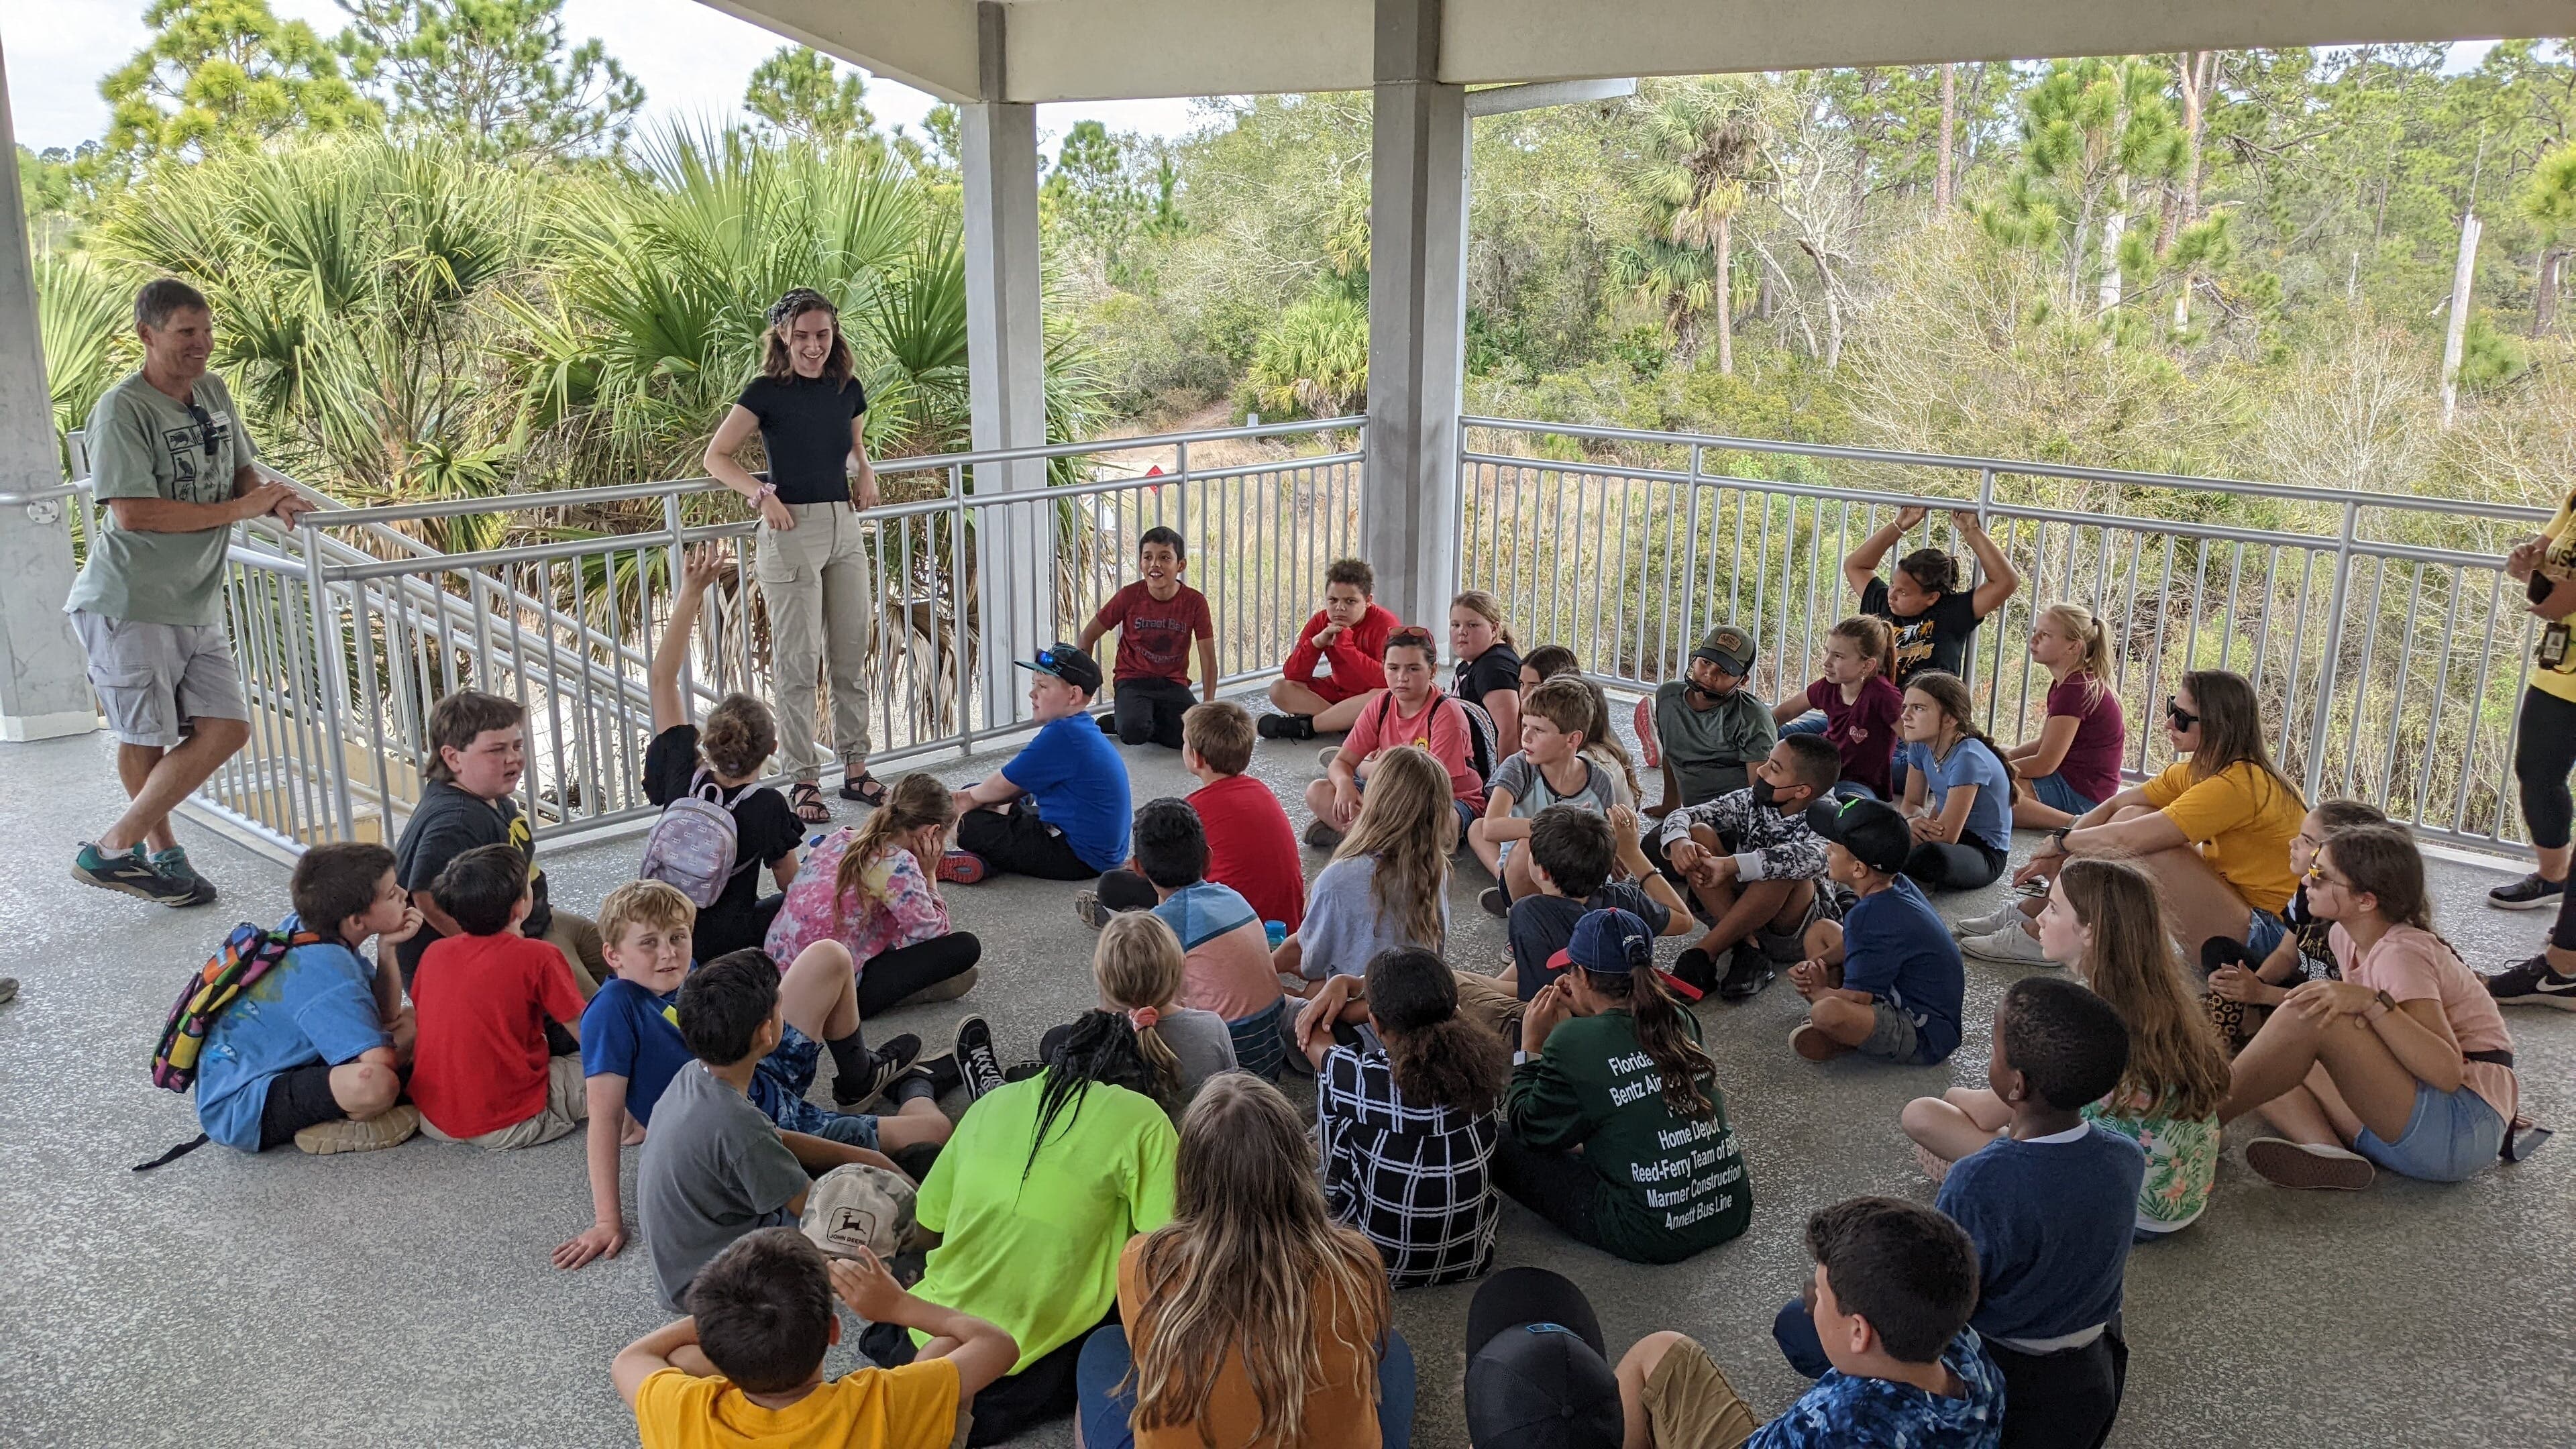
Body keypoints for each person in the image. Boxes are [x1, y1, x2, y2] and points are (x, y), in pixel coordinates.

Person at [1796, 978, 2141, 1449]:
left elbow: (1942, 1296)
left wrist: (1833, 1295)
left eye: (1995, 1050)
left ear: (2016, 1085)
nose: (1990, 1058)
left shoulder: (1981, 1179)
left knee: (1800, 1322)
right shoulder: (2125, 1157)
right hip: (2091, 1381)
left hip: (2007, 1375)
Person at [68, 280, 313, 907]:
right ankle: (162, 857)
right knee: (143, 736)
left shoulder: (212, 390)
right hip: (129, 599)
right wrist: (242, 507)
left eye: (206, 332)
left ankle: (114, 847)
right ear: (147, 335)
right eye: (185, 333)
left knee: (228, 727)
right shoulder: (121, 409)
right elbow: (133, 514)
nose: (201, 345)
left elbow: (241, 471)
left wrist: (273, 498)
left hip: (194, 597)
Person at [554, 882, 946, 1273]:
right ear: (613, 955)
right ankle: (920, 1082)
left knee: (830, 955)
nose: (668, 953)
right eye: (649, 943)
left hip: (755, 1067)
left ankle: (859, 1077)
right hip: (757, 1122)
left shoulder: (682, 972)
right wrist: (608, 1221)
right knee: (935, 1130)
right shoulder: (611, 1012)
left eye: (678, 937)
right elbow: (603, 1118)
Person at [865, 1012, 1180, 1446]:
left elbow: (927, 1227)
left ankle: (917, 1087)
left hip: (932, 1318)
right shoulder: (1145, 1118)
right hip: (1030, 1355)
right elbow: (1166, 1249)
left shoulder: (991, 1103)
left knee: (924, 1170)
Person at [1458, 1213, 2001, 1449]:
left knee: (1657, 1355)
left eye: (1821, 1297)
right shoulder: (1970, 1361)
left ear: (1859, 1332)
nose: (1810, 1303)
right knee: (1664, 1352)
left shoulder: (1833, 1421)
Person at [1077, 1074, 1415, 1449]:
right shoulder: (1354, 1260)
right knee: (1393, 1352)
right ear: (1297, 1165)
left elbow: (1146, 1356)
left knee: (1100, 1350)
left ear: (1189, 1172)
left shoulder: (1145, 1260)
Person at [1904, 860, 2229, 1240]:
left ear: (2091, 932)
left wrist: (1955, 1095)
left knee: (1923, 1115)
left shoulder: (2078, 1016)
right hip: (2180, 1202)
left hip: (2120, 1210)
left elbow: (1996, 1107)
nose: (2040, 917)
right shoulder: (2164, 998)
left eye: (2054, 909)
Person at [2219, 824, 2523, 1190]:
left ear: (2367, 901)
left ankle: (2194, 1123)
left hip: (2460, 1128)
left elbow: (2446, 1073)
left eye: (2321, 876)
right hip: (2415, 1121)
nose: (2306, 883)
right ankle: (2329, 1153)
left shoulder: (2401, 953)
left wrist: (2372, 1004)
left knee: (2312, 1018)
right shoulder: (2342, 935)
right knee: (2273, 1057)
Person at [637, 951, 919, 1313]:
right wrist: (900, 1198)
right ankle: (929, 1251)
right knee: (869, 1219)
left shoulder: (695, 1075)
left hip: (702, 1246)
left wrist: (869, 1158)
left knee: (850, 1135)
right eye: (780, 1009)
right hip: (711, 1282)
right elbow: (814, 1207)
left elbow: (775, 1138)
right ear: (767, 1032)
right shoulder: (737, 1124)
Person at [701, 286, 885, 822]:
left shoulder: (846, 387)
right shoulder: (765, 391)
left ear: (835, 333)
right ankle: (803, 778)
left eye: (822, 334)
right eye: (802, 336)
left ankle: (856, 767)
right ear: (783, 335)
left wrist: (867, 469)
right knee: (799, 662)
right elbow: (717, 457)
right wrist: (762, 495)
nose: (813, 346)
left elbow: (855, 444)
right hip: (790, 530)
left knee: (851, 653)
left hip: (842, 526)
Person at [1990, 669, 2305, 965]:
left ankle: (2051, 935)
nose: (2169, 723)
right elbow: (2115, 806)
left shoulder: (2239, 784)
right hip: (2240, 912)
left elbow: (2129, 839)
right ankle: (2042, 912)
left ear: (2217, 724)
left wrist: (2063, 841)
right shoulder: (2199, 770)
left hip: (2271, 940)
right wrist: (2064, 847)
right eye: (2171, 707)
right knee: (2132, 814)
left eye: (2181, 718)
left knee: (2153, 847)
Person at [1498, 908, 1751, 1265]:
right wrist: (1593, 1018)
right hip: (1729, 1209)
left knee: (1499, 1139)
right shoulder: (1679, 1016)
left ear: (1581, 974)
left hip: (1650, 1231)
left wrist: (1531, 1049)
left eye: (1571, 968)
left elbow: (1531, 1128)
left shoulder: (1573, 1041)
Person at [614, 1228, 1018, 1449]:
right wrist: (899, 1308)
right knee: (946, 1347)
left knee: (682, 1358)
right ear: (834, 1332)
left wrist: (720, 1320)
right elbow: (998, 1345)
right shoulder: (884, 1401)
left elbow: (630, 1358)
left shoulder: (681, 1409)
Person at [184, 842, 420, 1157]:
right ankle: (339, 1124)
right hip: (244, 1106)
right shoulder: (328, 972)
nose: (404, 894)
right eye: (392, 894)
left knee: (410, 1022)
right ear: (357, 921)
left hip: (268, 1068)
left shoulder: (308, 927)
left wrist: (387, 950)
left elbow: (385, 1017)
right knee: (376, 1083)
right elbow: (382, 1062)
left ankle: (331, 1103)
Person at [1303, 946, 1508, 1289]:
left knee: (1332, 1093)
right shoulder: (1489, 1067)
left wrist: (1341, 983)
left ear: (1376, 1022)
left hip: (1379, 1265)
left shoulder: (1363, 1080)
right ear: (1454, 1009)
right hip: (1474, 1255)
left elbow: (1314, 1038)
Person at [392, 688, 606, 994]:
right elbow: (424, 895)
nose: (514, 758)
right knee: (591, 1012)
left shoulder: (493, 799)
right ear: (453, 758)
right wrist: (491, 952)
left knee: (631, 961)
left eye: (517, 745)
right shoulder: (456, 819)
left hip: (535, 921)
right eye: (496, 750)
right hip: (495, 952)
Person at [646, 544, 802, 961]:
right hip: (724, 945)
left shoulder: (683, 771)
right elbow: (794, 888)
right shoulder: (768, 805)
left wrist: (691, 593)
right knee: (805, 902)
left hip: (665, 931)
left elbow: (662, 680)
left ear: (708, 741)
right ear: (773, 747)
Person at [1081, 799, 1289, 1078]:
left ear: (1138, 868)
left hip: (1228, 1072)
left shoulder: (1165, 927)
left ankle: (1121, 923)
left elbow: (1131, 998)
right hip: (1270, 1053)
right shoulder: (1233, 896)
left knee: (1067, 1038)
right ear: (1208, 858)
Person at [407, 845, 590, 1148]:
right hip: (508, 1121)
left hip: (435, 1119)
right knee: (623, 1064)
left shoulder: (434, 953)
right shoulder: (539, 955)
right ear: (520, 907)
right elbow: (588, 1033)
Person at [767, 773, 983, 1018]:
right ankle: (902, 994)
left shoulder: (843, 837)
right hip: (826, 999)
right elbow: (933, 935)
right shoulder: (898, 865)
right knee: (965, 947)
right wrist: (929, 873)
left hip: (780, 974)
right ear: (932, 831)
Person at [1275, 746, 1453, 1029]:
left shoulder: (1340, 877)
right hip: (1415, 1004)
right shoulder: (1434, 868)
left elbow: (1312, 963)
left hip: (1364, 1025)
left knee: (1276, 1001)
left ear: (1374, 800)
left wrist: (1265, 969)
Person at [1658, 735, 1844, 1002]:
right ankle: (1749, 947)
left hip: (1792, 929)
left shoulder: (1829, 817)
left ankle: (1704, 953)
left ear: (1802, 790)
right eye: (1768, 761)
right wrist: (1679, 840)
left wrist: (1732, 864)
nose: (1760, 770)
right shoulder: (1752, 799)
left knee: (1782, 868)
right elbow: (1688, 814)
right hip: (1742, 907)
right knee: (1698, 832)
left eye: (1774, 768)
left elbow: (1813, 857)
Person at [1093, 702, 1305, 932]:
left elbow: (1165, 870)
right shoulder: (1262, 790)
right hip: (1286, 923)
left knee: (1111, 884)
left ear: (1196, 757)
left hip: (1230, 922)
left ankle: (1149, 924)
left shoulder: (1194, 808)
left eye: (1185, 742)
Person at [2199, 799, 2387, 1053]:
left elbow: (2341, 1001)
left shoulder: (2360, 925)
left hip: (2330, 1012)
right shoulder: (2307, 889)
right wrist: (2251, 985)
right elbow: (2287, 954)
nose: (2292, 843)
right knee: (2220, 954)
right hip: (2299, 989)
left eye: (2307, 841)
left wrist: (2261, 994)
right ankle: (2247, 1025)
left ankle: (2246, 1040)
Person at [1789, 799, 1965, 1067]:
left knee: (1825, 1012)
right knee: (1820, 931)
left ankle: (1842, 1034)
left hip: (1922, 1030)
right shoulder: (1893, 883)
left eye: (1834, 849)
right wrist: (1817, 963)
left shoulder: (1870, 915)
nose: (1826, 850)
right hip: (1902, 989)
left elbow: (1860, 997)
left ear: (1858, 869)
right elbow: (1859, 942)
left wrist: (1816, 989)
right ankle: (1848, 1029)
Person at [947, 643, 1131, 883]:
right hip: (1094, 846)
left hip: (1078, 857)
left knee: (966, 824)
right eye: (1034, 684)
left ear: (1073, 695)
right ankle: (989, 857)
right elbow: (1013, 781)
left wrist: (961, 804)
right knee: (980, 792)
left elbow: (1001, 785)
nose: (1032, 694)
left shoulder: (1064, 736)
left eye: (1043, 686)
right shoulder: (1077, 728)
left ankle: (981, 859)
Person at [1305, 626, 1488, 851]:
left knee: (1439, 827)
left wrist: (1370, 779)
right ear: (1384, 668)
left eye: (1413, 669)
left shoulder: (1445, 712)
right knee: (1318, 792)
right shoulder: (1381, 704)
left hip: (1442, 800)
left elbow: (1433, 788)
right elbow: (1341, 763)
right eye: (1393, 668)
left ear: (1432, 671)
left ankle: (1359, 837)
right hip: (1387, 791)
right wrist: (1344, 784)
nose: (1401, 678)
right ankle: (1385, 844)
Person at [1503, 806, 1697, 1004]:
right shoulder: (1624, 899)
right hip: (1626, 1006)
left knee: (1474, 992)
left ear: (1543, 871)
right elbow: (1684, 920)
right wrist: (1633, 855)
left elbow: (1539, 996)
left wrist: (1477, 984)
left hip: (1565, 1019)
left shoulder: (1531, 914)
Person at [1472, 676, 1630, 910]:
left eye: (1538, 730)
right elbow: (1491, 828)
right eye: (1525, 726)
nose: (1525, 736)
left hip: (1575, 881)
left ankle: (1554, 914)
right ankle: (1524, 915)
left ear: (1573, 739)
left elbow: (1605, 841)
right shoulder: (1519, 768)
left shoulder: (1599, 781)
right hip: (1525, 870)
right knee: (1528, 844)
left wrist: (1616, 854)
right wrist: (1556, 828)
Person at [2491, 492, 2576, 915]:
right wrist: (2525, 560)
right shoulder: (2574, 499)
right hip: (2561, 669)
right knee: (2537, 772)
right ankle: (2553, 877)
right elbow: (2538, 558)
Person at [1841, 506, 2018, 688]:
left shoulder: (1951, 612)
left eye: (1903, 592)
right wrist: (1899, 525)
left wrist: (1971, 531)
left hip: (1928, 710)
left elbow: (2006, 581)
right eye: (1892, 584)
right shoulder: (1881, 602)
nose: (1892, 595)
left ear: (1932, 597)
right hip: (1878, 709)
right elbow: (1855, 565)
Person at [1076, 912, 1238, 1104]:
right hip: (1197, 1133)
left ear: (1103, 976)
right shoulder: (1211, 1027)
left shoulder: (1092, 1039)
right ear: (1179, 967)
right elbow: (1231, 1092)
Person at [1079, 525, 1218, 749]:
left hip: (1173, 684)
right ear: (1142, 563)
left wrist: (1208, 706)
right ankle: (1130, 720)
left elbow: (1208, 658)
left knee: (1195, 739)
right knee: (1135, 733)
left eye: (1165, 557)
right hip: (1133, 681)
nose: (1155, 564)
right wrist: (1084, 690)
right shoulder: (1129, 596)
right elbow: (1087, 636)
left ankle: (1132, 719)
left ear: (1180, 565)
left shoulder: (1195, 602)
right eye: (1148, 557)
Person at [2000, 604, 2125, 829]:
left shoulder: (2075, 688)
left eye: (2045, 635)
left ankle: (2076, 824)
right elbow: (2041, 745)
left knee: (1983, 790)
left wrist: (1992, 769)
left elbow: (2045, 764)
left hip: (2083, 795)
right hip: (2075, 784)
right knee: (1978, 784)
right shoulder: (2067, 682)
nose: (2034, 639)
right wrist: (2000, 758)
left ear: (2074, 647)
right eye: (2035, 631)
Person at [1893, 673, 2015, 892]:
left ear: (1949, 719)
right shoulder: (1920, 745)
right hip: (1944, 834)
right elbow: (1910, 803)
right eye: (1905, 707)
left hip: (1982, 852)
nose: (1905, 715)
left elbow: (1947, 837)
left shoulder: (1968, 758)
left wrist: (1904, 833)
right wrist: (1912, 821)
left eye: (1918, 708)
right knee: (1875, 817)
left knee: (1930, 856)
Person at [1648, 625, 1778, 819]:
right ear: (1694, 661)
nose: (1710, 674)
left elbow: (1758, 793)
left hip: (1733, 817)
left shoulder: (1753, 717)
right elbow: (1671, 753)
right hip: (1693, 813)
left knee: (1656, 845)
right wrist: (1670, 806)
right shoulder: (1668, 697)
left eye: (1724, 671)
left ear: (1743, 681)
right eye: (1705, 662)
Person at [1263, 557, 1398, 739]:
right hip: (1337, 693)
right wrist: (1317, 643)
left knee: (1385, 695)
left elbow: (1388, 679)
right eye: (1333, 600)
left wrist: (1346, 648)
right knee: (1279, 689)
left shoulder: (1386, 624)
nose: (1339, 608)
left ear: (1368, 601)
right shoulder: (1321, 621)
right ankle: (1345, 725)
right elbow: (1293, 675)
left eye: (1350, 601)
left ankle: (1307, 727)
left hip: (1367, 697)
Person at [1773, 616, 1903, 801]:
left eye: (1838, 656)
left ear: (1867, 665)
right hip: (1823, 766)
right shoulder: (1829, 685)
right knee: (1771, 735)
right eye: (1827, 651)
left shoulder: (1884, 695)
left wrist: (1914, 803)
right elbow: (1783, 714)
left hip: (1859, 781)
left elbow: (1917, 742)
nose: (1826, 662)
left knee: (1847, 809)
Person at [1522, 646, 1646, 804]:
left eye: (1536, 688)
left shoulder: (1589, 765)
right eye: (1521, 684)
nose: (1525, 695)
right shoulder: (1604, 743)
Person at [1450, 588, 1525, 747]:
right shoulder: (1471, 663)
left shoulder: (1494, 667)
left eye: (1472, 625)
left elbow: (1511, 732)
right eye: (1455, 625)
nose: (1462, 632)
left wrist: (1503, 772)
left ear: (1494, 629)